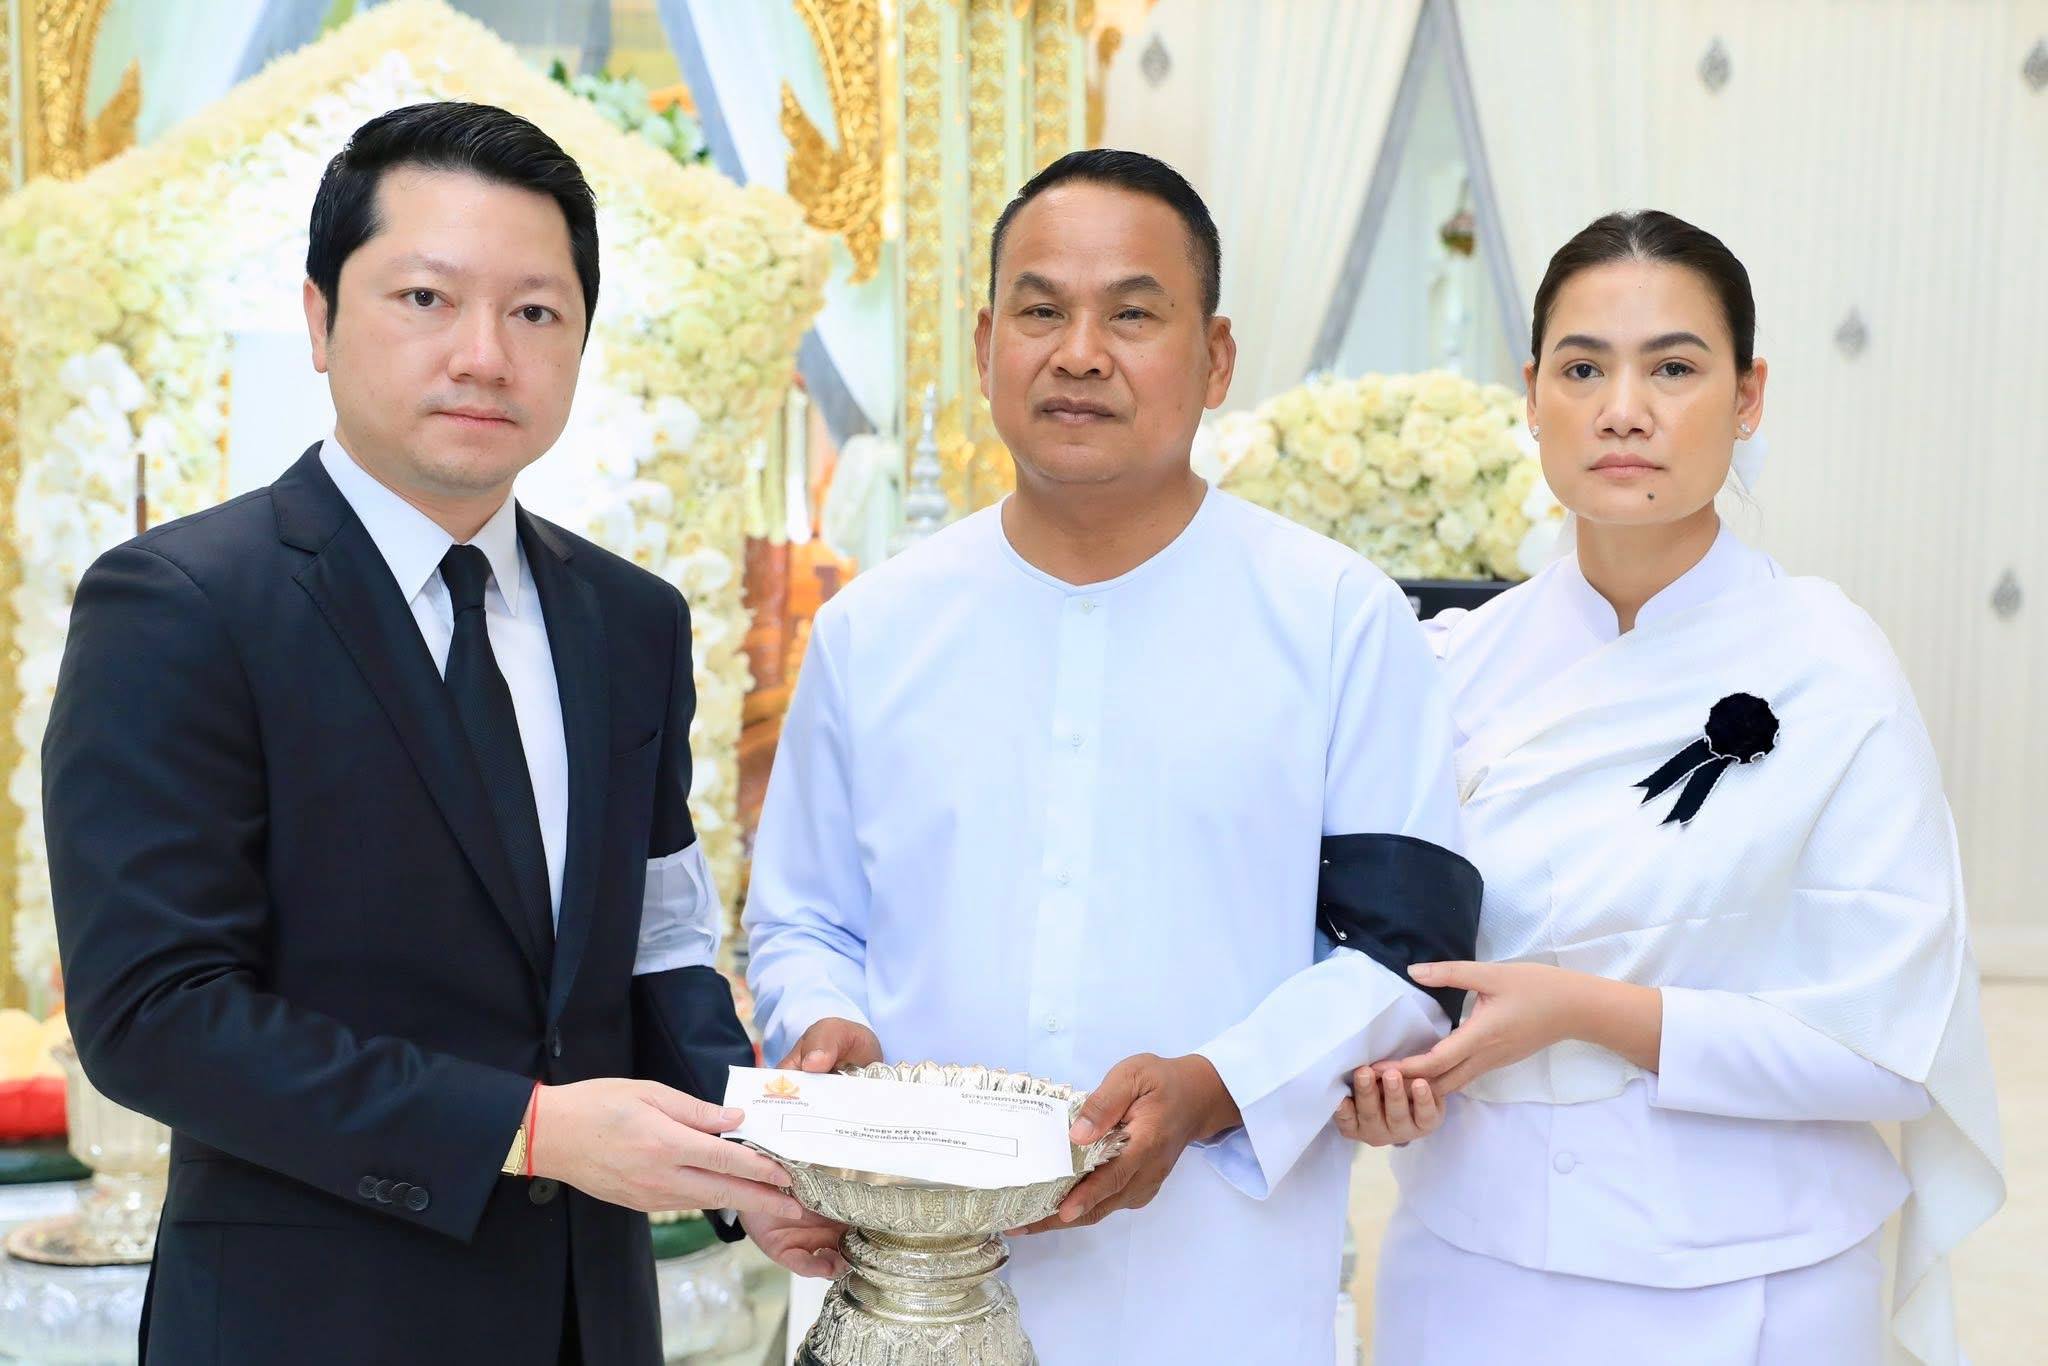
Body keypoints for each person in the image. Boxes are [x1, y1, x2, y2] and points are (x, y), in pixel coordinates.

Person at [42, 101, 839, 1366]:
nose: (484, 355)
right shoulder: (184, 605)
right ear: (319, 320)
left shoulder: (628, 621)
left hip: (589, 1318)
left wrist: (757, 1158)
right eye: (425, 298)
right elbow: (158, 1014)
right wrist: (528, 1130)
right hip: (308, 1323)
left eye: (536, 312)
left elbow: (655, 936)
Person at [742, 148, 1481, 1365]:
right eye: (1040, 311)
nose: (1078, 353)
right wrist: (828, 1027)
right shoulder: (875, 628)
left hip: (1213, 1291)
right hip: (905, 1295)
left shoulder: (1334, 618)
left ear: (1215, 358)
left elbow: (1405, 954)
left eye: (1131, 314)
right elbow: (802, 920)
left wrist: (1214, 1085)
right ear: (986, 344)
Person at [1339, 210, 2004, 1365]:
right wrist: (1377, 1070)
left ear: (1747, 397)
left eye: (1672, 368)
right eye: (1581, 367)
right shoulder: (1447, 665)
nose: (1621, 409)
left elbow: (1890, 1042)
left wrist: (1586, 1010)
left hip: (1758, 1278)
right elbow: (1383, 957)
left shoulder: (1830, 669)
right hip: (1470, 1265)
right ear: (1529, 393)